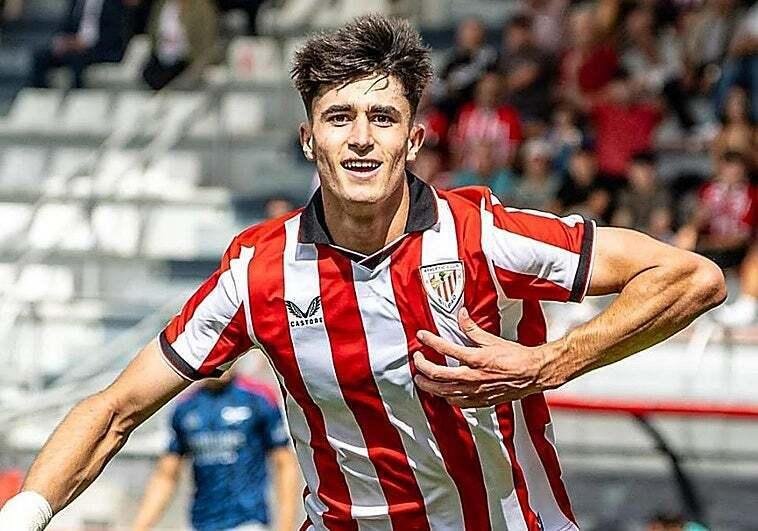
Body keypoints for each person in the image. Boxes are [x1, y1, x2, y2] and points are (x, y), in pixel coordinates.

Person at [0, 15, 726, 531]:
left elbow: (691, 276)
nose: (360, 139)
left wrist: (550, 362)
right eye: (339, 117)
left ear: (413, 138)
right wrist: (25, 514)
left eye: (382, 118)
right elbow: (115, 410)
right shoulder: (259, 272)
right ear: (307, 137)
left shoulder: (482, 234)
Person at [131, 369, 298, 531]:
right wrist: (140, 527)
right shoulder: (185, 406)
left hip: (248, 521)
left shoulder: (258, 398)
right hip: (200, 523)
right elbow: (166, 475)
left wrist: (287, 525)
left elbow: (285, 465)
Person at [28, 0, 133, 89]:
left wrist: (85, 43)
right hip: (76, 48)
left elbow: (113, 34)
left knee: (77, 61)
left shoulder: (113, 3)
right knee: (41, 57)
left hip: (101, 49)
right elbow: (66, 26)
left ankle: (77, 98)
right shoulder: (77, 2)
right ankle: (41, 99)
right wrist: (63, 42)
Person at [141, 0, 219, 91]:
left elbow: (207, 39)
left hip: (187, 61)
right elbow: (152, 30)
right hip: (160, 58)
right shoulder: (161, 4)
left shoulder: (202, 7)